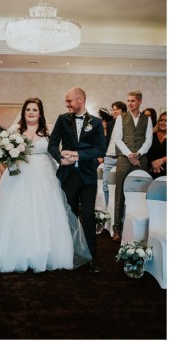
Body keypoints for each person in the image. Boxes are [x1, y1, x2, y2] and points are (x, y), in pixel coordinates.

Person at [0, 97, 92, 273]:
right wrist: (9, 161)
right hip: (19, 174)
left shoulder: (49, 129)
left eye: (34, 110)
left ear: (40, 113)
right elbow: (4, 151)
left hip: (44, 173)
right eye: (28, 109)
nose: (31, 112)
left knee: (46, 212)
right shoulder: (15, 130)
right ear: (24, 112)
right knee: (16, 212)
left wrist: (64, 159)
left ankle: (46, 253)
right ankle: (14, 253)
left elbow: (54, 150)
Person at [48, 87, 106, 273]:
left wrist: (77, 154)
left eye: (69, 101)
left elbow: (100, 150)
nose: (67, 104)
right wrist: (60, 158)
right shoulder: (62, 119)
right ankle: (69, 253)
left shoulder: (96, 123)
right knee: (68, 216)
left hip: (88, 177)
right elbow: (52, 144)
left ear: (80, 100)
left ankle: (91, 257)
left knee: (88, 217)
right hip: (68, 176)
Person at [111, 90, 152, 241]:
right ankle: (117, 228)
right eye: (128, 101)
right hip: (124, 159)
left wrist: (138, 154)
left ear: (140, 102)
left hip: (141, 159)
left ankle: (141, 227)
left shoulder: (147, 119)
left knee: (141, 193)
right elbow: (117, 139)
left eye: (132, 101)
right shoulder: (121, 118)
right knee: (120, 194)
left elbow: (149, 140)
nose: (129, 103)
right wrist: (129, 154)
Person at [101, 102, 127, 207]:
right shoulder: (110, 124)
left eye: (117, 109)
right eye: (113, 109)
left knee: (121, 188)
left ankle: (118, 214)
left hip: (122, 159)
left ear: (124, 111)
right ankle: (108, 212)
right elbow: (106, 141)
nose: (114, 111)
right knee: (105, 186)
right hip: (109, 158)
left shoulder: (127, 125)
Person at [146, 111, 167, 179]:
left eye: (166, 121)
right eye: (161, 120)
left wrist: (161, 161)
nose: (163, 122)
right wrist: (154, 165)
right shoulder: (151, 136)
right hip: (150, 172)